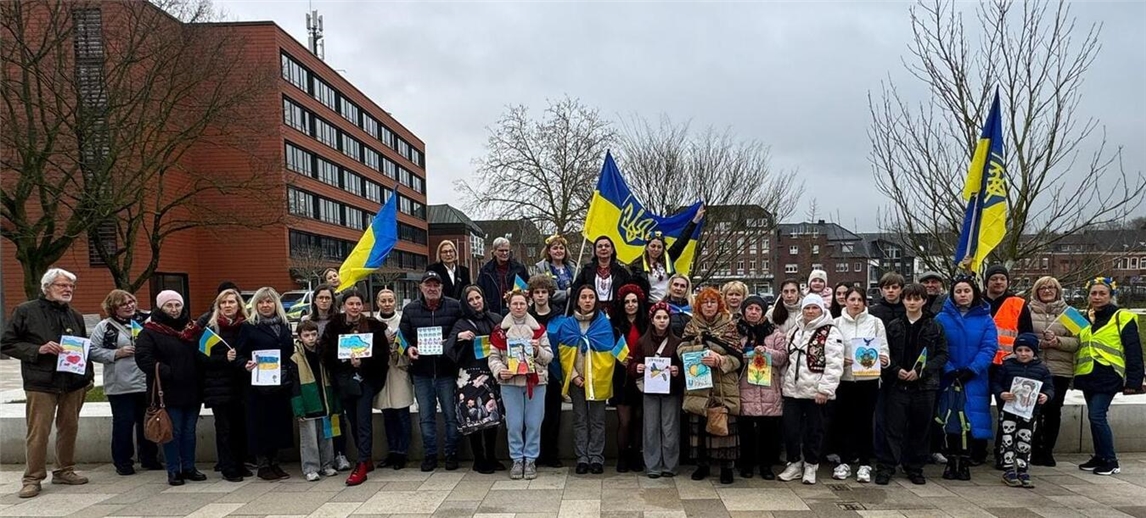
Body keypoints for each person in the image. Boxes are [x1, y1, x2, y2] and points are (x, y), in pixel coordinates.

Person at [2, 269, 90, 498]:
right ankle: (32, 478)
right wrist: (38, 350)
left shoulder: (75, 315)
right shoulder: (25, 311)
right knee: (39, 432)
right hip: (41, 382)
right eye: (63, 285)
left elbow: (83, 347)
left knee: (69, 428)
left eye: (71, 286)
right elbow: (7, 343)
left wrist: (87, 378)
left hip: (72, 382)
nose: (68, 290)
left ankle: (64, 470)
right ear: (47, 286)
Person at [875, 284, 948, 486]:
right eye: (909, 298)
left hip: (925, 387)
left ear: (924, 301)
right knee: (893, 428)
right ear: (903, 300)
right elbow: (884, 352)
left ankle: (914, 467)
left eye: (917, 298)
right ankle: (886, 466)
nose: (912, 302)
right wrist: (896, 369)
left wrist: (921, 372)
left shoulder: (935, 326)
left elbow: (942, 355)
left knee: (920, 428)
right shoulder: (894, 326)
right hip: (897, 384)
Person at [134, 290, 206, 487]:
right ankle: (174, 470)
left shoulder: (192, 329)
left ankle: (189, 467)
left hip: (192, 389)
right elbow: (143, 358)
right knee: (172, 432)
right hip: (167, 391)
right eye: (169, 305)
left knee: (189, 432)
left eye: (177, 305)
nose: (174, 310)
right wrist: (168, 371)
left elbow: (203, 353)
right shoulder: (150, 331)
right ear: (160, 307)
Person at [1074, 277, 1143, 476]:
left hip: (1109, 375)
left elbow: (1133, 349)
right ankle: (1100, 456)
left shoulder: (1122, 317)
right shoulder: (1085, 317)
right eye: (1093, 293)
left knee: (1097, 415)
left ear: (1111, 296)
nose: (1097, 297)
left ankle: (1111, 460)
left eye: (1102, 293)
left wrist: (1134, 381)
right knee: (1093, 416)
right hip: (1088, 374)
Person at [88, 290, 161, 477]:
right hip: (120, 385)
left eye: (131, 302)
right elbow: (92, 351)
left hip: (146, 381)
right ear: (113, 308)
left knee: (148, 420)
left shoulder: (148, 320)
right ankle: (123, 461)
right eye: (123, 304)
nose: (129, 306)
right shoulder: (105, 327)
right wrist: (115, 353)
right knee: (124, 423)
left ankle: (149, 457)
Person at [321, 289, 389, 485]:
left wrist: (363, 364)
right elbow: (325, 353)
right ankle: (365, 457)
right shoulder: (334, 326)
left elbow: (382, 355)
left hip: (365, 380)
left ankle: (360, 465)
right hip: (343, 381)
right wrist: (343, 360)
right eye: (351, 304)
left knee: (363, 420)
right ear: (344, 306)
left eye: (358, 304)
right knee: (352, 420)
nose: (355, 307)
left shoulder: (374, 327)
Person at [935, 276, 998, 481]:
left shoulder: (986, 319)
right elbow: (937, 346)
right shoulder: (941, 319)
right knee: (950, 420)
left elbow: (989, 347)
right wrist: (949, 369)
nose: (962, 295)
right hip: (949, 377)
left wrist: (973, 369)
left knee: (969, 420)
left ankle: (965, 460)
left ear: (974, 293)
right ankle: (951, 460)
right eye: (958, 291)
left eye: (967, 291)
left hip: (974, 378)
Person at [400, 271, 464, 472]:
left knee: (451, 415)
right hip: (422, 372)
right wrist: (408, 348)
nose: (432, 288)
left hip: (446, 370)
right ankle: (430, 455)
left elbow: (462, 331)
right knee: (425, 417)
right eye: (428, 285)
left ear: (442, 287)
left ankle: (452, 453)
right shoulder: (410, 310)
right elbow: (401, 336)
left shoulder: (454, 306)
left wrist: (452, 343)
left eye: (436, 285)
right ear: (421, 287)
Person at [777, 294, 845, 485]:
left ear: (821, 310)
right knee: (790, 429)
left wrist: (825, 389)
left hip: (816, 391)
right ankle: (794, 463)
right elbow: (787, 359)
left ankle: (811, 464)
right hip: (793, 389)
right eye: (807, 308)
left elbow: (834, 364)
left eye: (814, 308)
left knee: (814, 430)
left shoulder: (830, 332)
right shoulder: (795, 330)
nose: (810, 312)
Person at [680, 287, 743, 484]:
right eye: (705, 302)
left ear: (719, 305)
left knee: (724, 425)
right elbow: (681, 351)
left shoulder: (730, 326)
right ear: (699, 305)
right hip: (698, 384)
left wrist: (720, 361)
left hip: (723, 385)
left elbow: (738, 358)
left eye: (712, 302)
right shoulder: (692, 325)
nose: (709, 305)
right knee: (698, 426)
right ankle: (702, 465)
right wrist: (702, 351)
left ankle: (726, 468)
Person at [550, 284, 615, 474]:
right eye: (583, 297)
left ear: (596, 300)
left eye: (591, 297)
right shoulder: (568, 325)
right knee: (579, 418)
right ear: (577, 300)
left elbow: (608, 354)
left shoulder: (603, 324)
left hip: (597, 380)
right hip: (576, 380)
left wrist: (593, 376)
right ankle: (582, 457)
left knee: (598, 419)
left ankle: (596, 457)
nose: (587, 301)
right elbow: (562, 353)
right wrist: (575, 377)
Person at [489, 290, 553, 480]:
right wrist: (500, 370)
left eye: (522, 304)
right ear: (509, 306)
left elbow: (549, 357)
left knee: (534, 423)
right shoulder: (499, 330)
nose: (518, 307)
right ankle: (517, 459)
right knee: (514, 424)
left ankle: (531, 459)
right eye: (515, 304)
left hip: (536, 381)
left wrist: (537, 350)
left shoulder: (539, 329)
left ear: (528, 305)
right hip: (510, 382)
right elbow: (493, 358)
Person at [237, 287, 297, 482]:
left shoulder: (285, 325)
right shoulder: (249, 326)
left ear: (275, 304)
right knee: (261, 425)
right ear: (255, 305)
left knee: (278, 423)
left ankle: (275, 462)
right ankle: (263, 464)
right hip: (258, 386)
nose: (265, 305)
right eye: (261, 302)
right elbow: (239, 354)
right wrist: (245, 364)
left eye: (269, 302)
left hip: (281, 383)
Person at [831, 287, 889, 483]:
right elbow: (830, 350)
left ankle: (865, 463)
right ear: (845, 301)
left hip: (868, 380)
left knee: (865, 422)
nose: (855, 303)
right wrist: (841, 360)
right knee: (844, 422)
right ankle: (844, 461)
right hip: (845, 380)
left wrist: (883, 359)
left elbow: (883, 349)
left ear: (865, 302)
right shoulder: (836, 323)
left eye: (859, 299)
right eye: (852, 299)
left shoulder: (875, 322)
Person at [446, 285, 504, 474]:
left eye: (477, 298)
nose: (475, 302)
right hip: (469, 376)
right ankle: (479, 459)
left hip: (490, 374)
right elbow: (448, 348)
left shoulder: (495, 318)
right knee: (474, 417)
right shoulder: (461, 323)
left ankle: (492, 456)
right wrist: (460, 337)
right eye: (471, 300)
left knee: (492, 417)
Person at [982, 264, 1035, 468]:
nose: (998, 282)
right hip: (982, 364)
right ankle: (977, 451)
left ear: (1007, 282)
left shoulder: (1018, 304)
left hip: (1008, 366)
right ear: (987, 281)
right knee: (979, 408)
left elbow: (1026, 335)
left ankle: (1002, 453)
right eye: (994, 278)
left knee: (1009, 412)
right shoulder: (978, 302)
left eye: (1002, 279)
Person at [199, 289, 251, 482]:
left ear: (239, 305)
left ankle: (239, 463)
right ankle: (228, 467)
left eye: (232, 302)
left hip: (241, 385)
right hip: (219, 387)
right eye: (224, 303)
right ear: (218, 306)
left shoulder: (245, 326)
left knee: (240, 427)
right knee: (225, 429)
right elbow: (201, 358)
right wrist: (223, 359)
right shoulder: (211, 328)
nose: (228, 306)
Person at [1027, 276, 1079, 467]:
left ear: (1058, 291)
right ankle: (1032, 448)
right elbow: (1021, 337)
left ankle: (1047, 451)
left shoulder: (1071, 313)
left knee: (1053, 411)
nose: (1047, 291)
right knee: (1032, 411)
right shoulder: (1027, 310)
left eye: (1051, 288)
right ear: (1036, 291)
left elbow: (1079, 342)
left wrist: (1057, 341)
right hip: (1034, 368)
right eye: (1043, 288)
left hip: (1060, 370)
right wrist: (1039, 343)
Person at [991, 333, 1054, 488]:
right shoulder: (1007, 365)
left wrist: (1046, 396)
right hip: (1009, 410)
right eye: (1019, 350)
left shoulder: (1042, 369)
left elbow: (1049, 387)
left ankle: (1022, 469)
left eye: (1027, 350)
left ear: (1034, 352)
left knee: (1025, 440)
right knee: (1007, 438)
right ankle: (1007, 469)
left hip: (1029, 412)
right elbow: (996, 383)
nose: (1023, 353)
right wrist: (1001, 394)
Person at [736, 296, 787, 480]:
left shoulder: (774, 333)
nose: (754, 312)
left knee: (768, 431)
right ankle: (747, 464)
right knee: (746, 430)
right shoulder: (736, 332)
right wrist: (747, 354)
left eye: (758, 309)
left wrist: (767, 352)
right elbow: (732, 354)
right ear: (744, 311)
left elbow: (783, 357)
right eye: (750, 309)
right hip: (745, 386)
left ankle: (766, 466)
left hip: (768, 388)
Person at [631, 302, 684, 478]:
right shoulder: (642, 342)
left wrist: (677, 371)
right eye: (658, 318)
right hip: (650, 391)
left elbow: (684, 367)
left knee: (670, 428)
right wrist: (636, 367)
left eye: (665, 318)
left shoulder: (677, 342)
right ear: (652, 320)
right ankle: (652, 466)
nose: (662, 321)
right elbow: (631, 364)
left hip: (671, 391)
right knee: (650, 428)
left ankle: (670, 465)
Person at [302, 284, 350, 471]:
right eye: (320, 297)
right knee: (319, 416)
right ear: (314, 300)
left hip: (334, 374)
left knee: (336, 414)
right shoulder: (306, 319)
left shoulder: (339, 320)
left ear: (332, 300)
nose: (324, 301)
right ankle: (323, 458)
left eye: (327, 298)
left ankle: (340, 453)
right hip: (314, 374)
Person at [290, 320, 341, 482]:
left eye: (313, 334)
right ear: (299, 337)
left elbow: (331, 378)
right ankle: (311, 468)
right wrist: (298, 408)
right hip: (308, 402)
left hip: (325, 400)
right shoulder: (295, 358)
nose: (311, 338)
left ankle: (327, 464)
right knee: (309, 439)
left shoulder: (323, 353)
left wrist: (335, 402)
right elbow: (294, 386)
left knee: (327, 436)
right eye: (306, 335)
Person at [609, 284, 649, 473]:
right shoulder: (614, 324)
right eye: (627, 302)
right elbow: (607, 347)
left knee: (639, 418)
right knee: (624, 420)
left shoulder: (647, 324)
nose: (631, 305)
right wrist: (618, 358)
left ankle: (637, 455)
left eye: (634, 301)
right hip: (621, 376)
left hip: (643, 375)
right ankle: (622, 455)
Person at [372, 289, 413, 470]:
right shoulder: (373, 323)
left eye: (390, 300)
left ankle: (402, 452)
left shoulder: (403, 321)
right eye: (383, 300)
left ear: (395, 302)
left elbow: (410, 346)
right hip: (381, 374)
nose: (387, 303)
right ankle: (392, 451)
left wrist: (396, 347)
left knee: (402, 414)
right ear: (377, 303)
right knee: (387, 415)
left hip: (399, 371)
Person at [630, 207, 704, 304]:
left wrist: (695, 220)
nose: (655, 249)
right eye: (652, 246)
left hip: (670, 304)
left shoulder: (668, 258)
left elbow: (682, 241)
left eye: (659, 247)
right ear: (647, 247)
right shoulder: (637, 267)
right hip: (650, 306)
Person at [529, 274, 565, 468]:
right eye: (537, 292)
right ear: (532, 295)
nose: (541, 296)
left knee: (553, 414)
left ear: (549, 294)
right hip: (531, 372)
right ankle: (535, 453)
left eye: (544, 292)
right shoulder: (526, 317)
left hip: (554, 371)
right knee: (535, 416)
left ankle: (552, 453)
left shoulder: (560, 318)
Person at [574, 235, 632, 313]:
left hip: (616, 313)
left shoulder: (621, 272)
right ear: (595, 251)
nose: (603, 248)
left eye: (607, 246)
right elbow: (576, 290)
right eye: (600, 246)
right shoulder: (587, 271)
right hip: (591, 312)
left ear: (612, 250)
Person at [478, 237, 530, 315]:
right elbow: (481, 291)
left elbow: (526, 288)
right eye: (501, 250)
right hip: (493, 312)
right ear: (494, 252)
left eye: (506, 250)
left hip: (516, 310)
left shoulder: (519, 269)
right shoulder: (486, 271)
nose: (504, 253)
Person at [531, 235, 578, 312]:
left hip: (573, 309)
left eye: (561, 248)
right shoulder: (541, 269)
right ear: (549, 251)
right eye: (555, 248)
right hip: (553, 310)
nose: (559, 251)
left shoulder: (574, 267)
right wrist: (565, 294)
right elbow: (542, 292)